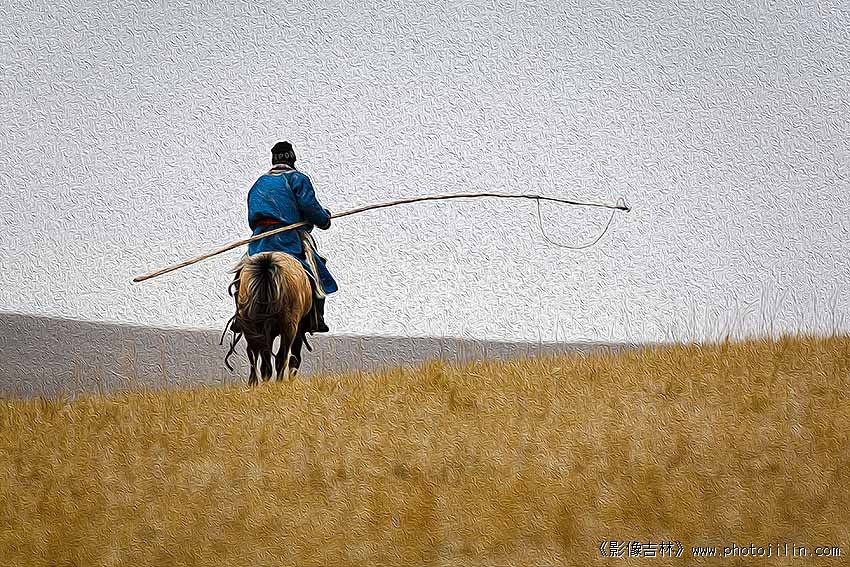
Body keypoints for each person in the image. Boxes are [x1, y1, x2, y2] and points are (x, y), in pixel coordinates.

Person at [229, 141, 337, 335]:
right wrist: (324, 219)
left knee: (242, 272)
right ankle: (317, 317)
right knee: (316, 268)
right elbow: (310, 207)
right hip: (288, 239)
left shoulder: (259, 183)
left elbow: (252, 214)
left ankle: (240, 313)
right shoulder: (297, 179)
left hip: (260, 240)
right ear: (292, 159)